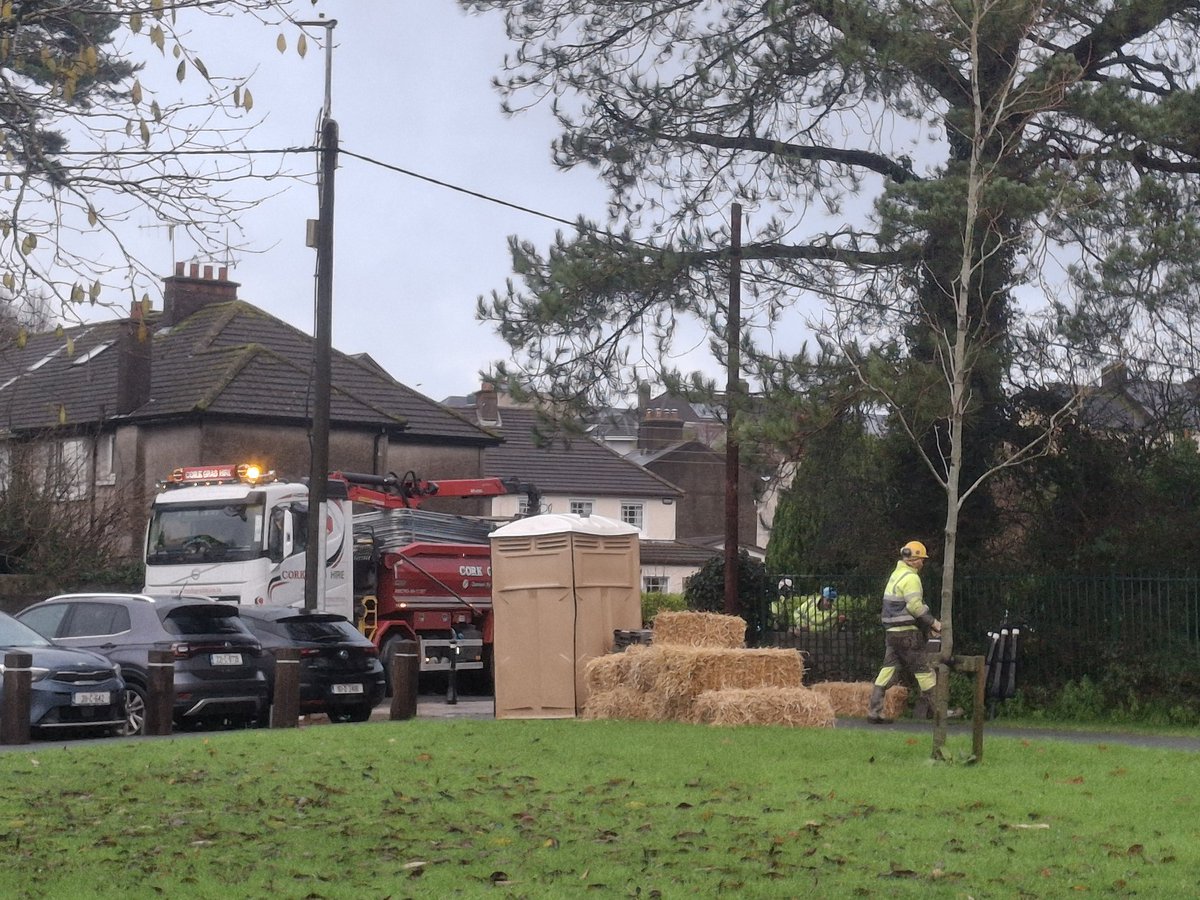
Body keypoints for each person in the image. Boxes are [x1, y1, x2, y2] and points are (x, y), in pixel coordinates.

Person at [867, 540, 941, 725]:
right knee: (924, 671)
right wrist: (934, 623)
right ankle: (940, 711)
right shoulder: (912, 578)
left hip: (891, 633)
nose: (923, 563)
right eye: (922, 559)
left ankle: (874, 711)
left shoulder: (896, 575)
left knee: (888, 670)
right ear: (914, 559)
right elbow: (915, 606)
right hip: (907, 634)